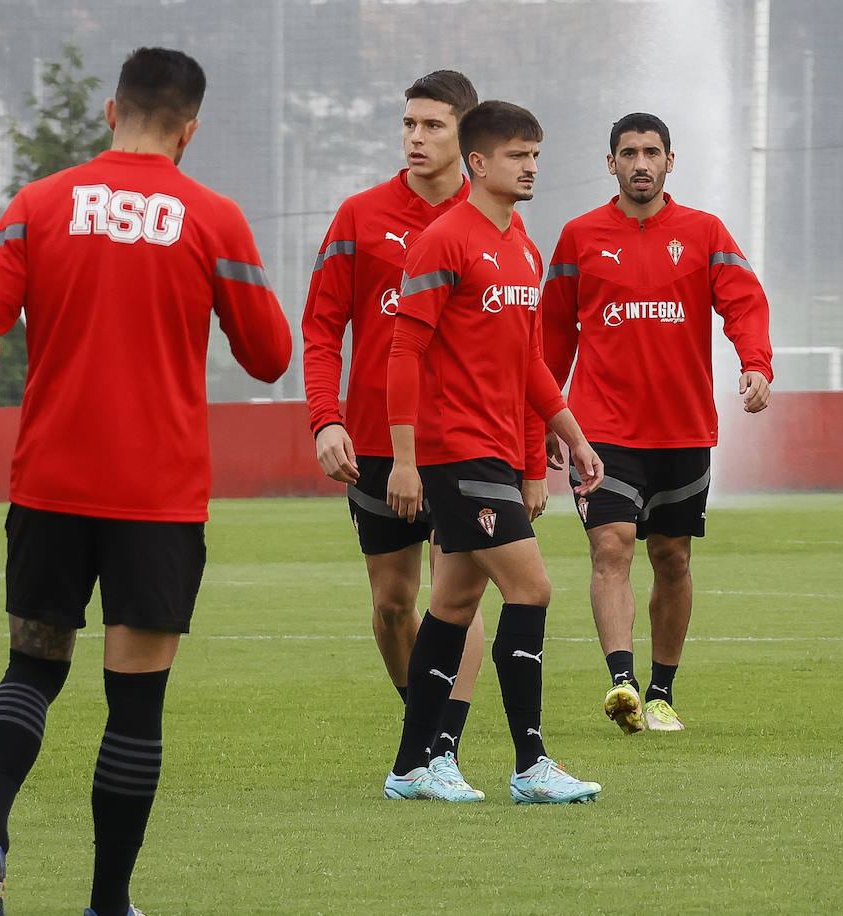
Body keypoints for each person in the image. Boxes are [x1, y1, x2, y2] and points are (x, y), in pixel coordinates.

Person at [0, 47, 292, 916]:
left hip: (52, 485)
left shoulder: (38, 206)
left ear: (110, 111)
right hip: (157, 498)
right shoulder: (212, 217)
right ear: (191, 129)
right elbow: (271, 356)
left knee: (31, 668)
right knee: (134, 706)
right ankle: (107, 903)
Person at [382, 100, 604, 803]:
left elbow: (528, 361)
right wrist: (407, 459)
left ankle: (413, 766)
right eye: (518, 155)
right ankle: (530, 764)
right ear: (479, 163)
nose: (532, 166)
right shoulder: (444, 241)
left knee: (452, 606)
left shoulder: (523, 246)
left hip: (501, 452)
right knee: (532, 588)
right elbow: (403, 351)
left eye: (536, 154)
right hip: (456, 453)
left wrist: (569, 436)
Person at [541, 112, 773, 735]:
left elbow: (745, 301)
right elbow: (553, 332)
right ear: (610, 163)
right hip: (602, 431)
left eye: (651, 152)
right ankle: (622, 684)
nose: (640, 163)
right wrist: (544, 415)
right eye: (628, 153)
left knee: (672, 557)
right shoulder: (579, 236)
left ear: (671, 161)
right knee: (610, 545)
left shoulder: (703, 232)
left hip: (685, 430)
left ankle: (661, 690)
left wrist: (756, 364)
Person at [301, 71, 492, 799]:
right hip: (377, 447)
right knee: (391, 605)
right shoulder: (359, 216)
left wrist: (535, 447)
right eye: (408, 124)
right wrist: (326, 419)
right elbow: (321, 329)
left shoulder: (495, 222)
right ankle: (424, 738)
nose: (415, 137)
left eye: (433, 126)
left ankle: (439, 750)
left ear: (466, 136)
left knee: (460, 592)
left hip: (465, 442)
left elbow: (518, 343)